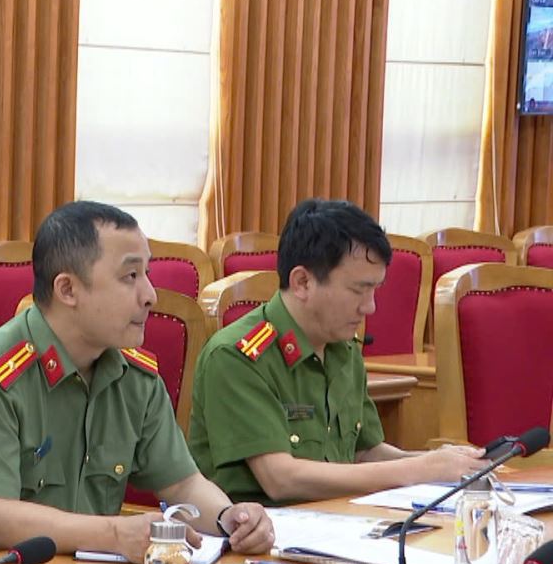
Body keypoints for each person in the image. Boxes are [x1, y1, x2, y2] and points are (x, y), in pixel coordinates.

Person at [0, 201, 275, 560]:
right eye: (130, 276)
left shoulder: (135, 379)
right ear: (68, 290)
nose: (150, 295)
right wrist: (115, 534)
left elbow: (182, 483)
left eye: (147, 274)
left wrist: (231, 518)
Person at [187, 199, 485, 505]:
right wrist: (418, 469)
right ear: (302, 282)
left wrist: (441, 463)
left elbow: (364, 452)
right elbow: (280, 479)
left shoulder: (343, 348)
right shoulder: (237, 355)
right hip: (260, 528)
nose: (370, 307)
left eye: (375, 290)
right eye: (358, 290)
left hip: (339, 519)